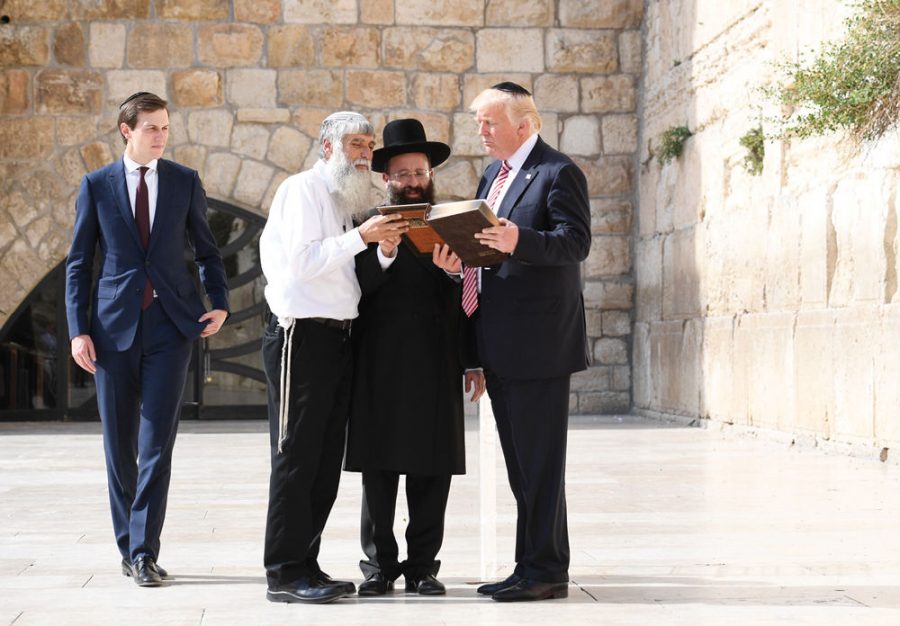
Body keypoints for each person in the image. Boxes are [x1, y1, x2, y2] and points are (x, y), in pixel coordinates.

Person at [434, 82, 591, 601]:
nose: (480, 130)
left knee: (541, 463)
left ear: (524, 124)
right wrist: (460, 260)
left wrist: (518, 239)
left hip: (539, 344)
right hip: (500, 341)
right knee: (522, 465)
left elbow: (575, 242)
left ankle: (546, 571)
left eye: (488, 121)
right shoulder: (492, 176)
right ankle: (530, 565)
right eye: (478, 121)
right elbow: (489, 252)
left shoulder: (557, 171)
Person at [66, 91, 229, 587]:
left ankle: (143, 551)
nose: (160, 136)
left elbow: (207, 250)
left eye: (165, 127)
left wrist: (217, 299)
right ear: (126, 131)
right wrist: (78, 332)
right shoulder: (96, 185)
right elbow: (79, 264)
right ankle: (128, 545)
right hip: (112, 332)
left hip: (171, 328)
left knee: (157, 443)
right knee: (120, 448)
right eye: (151, 128)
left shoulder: (184, 181)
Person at [259, 111, 408, 604]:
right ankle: (283, 572)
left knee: (324, 462)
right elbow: (302, 265)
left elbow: (344, 274)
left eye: (368, 143)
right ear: (328, 148)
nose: (365, 152)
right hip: (300, 338)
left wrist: (376, 246)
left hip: (338, 338)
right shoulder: (302, 190)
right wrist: (361, 238)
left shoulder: (345, 199)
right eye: (355, 144)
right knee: (296, 458)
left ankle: (307, 563)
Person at [345, 118, 486, 597]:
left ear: (430, 174)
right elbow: (353, 293)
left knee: (432, 470)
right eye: (402, 174)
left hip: (435, 363)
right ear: (387, 179)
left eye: (419, 172)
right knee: (378, 472)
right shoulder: (365, 223)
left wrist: (452, 277)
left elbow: (473, 302)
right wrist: (383, 254)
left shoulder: (454, 221)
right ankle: (379, 567)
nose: (411, 181)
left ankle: (423, 567)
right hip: (379, 365)